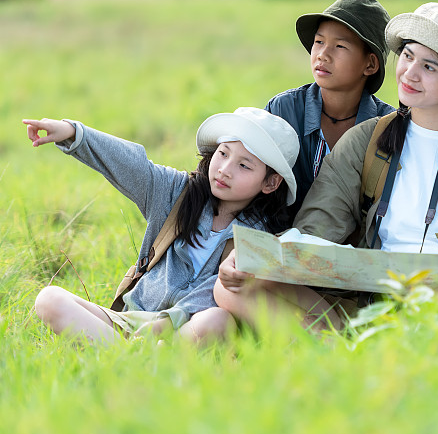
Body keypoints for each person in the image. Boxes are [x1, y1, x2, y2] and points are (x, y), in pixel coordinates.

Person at [214, 2, 438, 330]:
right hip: (373, 301)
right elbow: (314, 233)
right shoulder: (366, 139)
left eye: (428, 67)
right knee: (232, 287)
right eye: (407, 56)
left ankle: (353, 352)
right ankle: (338, 351)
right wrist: (253, 258)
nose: (409, 73)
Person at [23, 108, 299, 344]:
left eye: (244, 166)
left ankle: (122, 356)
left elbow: (221, 292)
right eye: (223, 153)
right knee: (49, 299)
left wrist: (168, 322)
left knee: (218, 320)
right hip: (133, 320)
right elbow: (132, 165)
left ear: (270, 183)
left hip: (188, 331)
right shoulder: (177, 193)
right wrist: (74, 133)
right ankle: (133, 358)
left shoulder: (261, 237)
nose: (225, 169)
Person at [266, 0, 395, 219]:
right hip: (283, 236)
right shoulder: (283, 110)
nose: (322, 55)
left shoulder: (388, 128)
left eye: (340, 46)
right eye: (319, 42)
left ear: (370, 64)